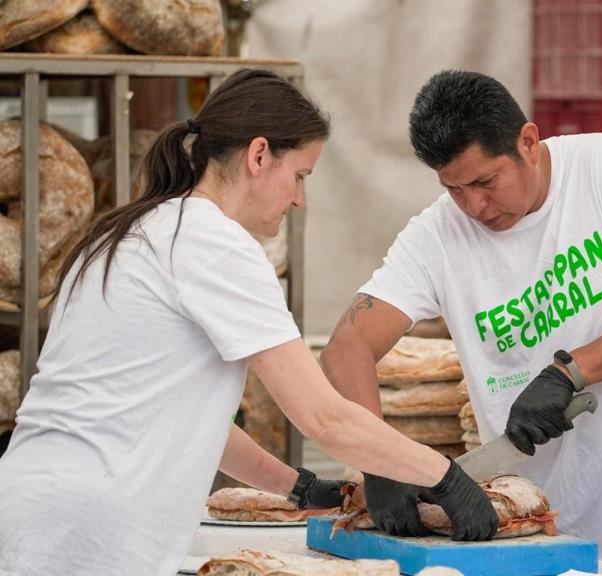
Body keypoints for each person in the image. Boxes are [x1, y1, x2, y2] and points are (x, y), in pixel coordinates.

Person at [0, 69, 497, 576]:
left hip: (32, 510)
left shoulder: (133, 231)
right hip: (86, 534)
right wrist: (444, 476)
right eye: (300, 176)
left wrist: (298, 487)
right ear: (259, 155)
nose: (300, 200)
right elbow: (325, 419)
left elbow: (191, 418)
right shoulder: (215, 244)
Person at [321, 70, 602, 575]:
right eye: (454, 189)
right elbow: (346, 347)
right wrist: (379, 458)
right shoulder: (434, 238)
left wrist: (569, 373)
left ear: (528, 142)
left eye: (485, 181)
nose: (474, 206)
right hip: (537, 540)